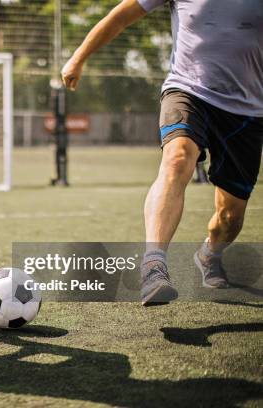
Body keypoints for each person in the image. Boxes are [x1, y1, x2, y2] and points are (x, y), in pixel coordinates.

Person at [61, 0, 262, 305]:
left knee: (230, 216)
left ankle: (209, 254)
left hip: (246, 112)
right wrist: (78, 57)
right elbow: (122, 15)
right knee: (177, 157)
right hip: (189, 91)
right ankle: (153, 266)